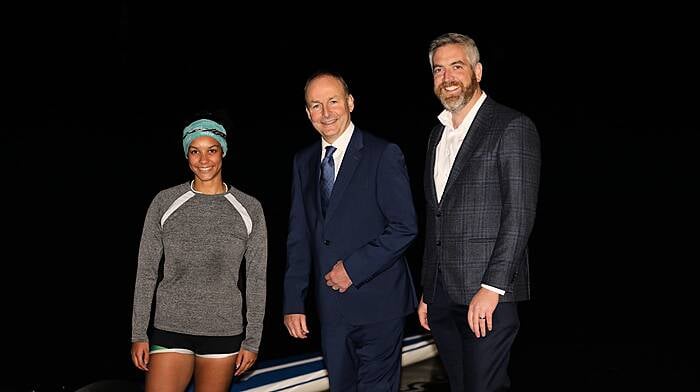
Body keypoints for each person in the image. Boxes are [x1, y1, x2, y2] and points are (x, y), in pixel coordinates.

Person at [417, 33, 541, 392]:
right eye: (439, 70)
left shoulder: (510, 126)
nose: (447, 77)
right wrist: (429, 289)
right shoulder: (435, 136)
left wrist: (492, 287)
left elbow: (520, 215)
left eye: (457, 66)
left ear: (478, 71)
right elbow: (435, 218)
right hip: (442, 298)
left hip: (486, 297)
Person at [283, 71, 418, 391]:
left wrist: (353, 269)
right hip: (330, 311)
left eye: (333, 101)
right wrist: (293, 301)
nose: (326, 113)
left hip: (380, 305)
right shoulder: (303, 162)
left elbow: (405, 227)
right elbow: (299, 235)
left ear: (350, 103)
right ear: (307, 112)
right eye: (316, 105)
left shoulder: (383, 153)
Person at [130, 117, 267, 391]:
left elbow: (256, 278)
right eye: (195, 151)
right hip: (170, 325)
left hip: (223, 331)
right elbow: (146, 271)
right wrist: (138, 333)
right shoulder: (164, 202)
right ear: (186, 155)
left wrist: (252, 340)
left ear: (223, 152)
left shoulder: (249, 208)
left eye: (212, 150)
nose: (203, 159)